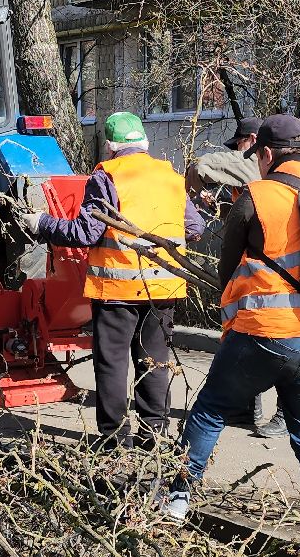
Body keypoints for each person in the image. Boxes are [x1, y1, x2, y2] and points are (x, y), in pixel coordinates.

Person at [166, 114, 300, 546]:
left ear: (266, 154)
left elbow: (229, 267)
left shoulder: (257, 196)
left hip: (267, 331)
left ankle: (177, 500)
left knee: (211, 407)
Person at [23, 112, 203, 448]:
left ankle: (113, 439)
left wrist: (42, 223)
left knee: (113, 363)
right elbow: (195, 228)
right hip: (163, 288)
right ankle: (154, 435)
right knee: (155, 361)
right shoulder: (171, 176)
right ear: (145, 143)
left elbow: (85, 232)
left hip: (117, 288)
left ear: (110, 145)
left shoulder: (107, 176)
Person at [189, 117, 284, 439]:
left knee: (278, 338)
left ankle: (284, 413)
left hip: (271, 269)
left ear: (256, 142)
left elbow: (200, 165)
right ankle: (246, 407)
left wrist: (193, 195)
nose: (242, 154)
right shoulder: (292, 174)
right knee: (249, 335)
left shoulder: (254, 163)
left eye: (243, 146)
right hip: (263, 266)